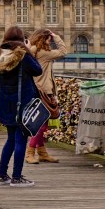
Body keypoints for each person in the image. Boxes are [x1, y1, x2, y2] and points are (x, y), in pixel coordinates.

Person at [0, 26, 43, 187]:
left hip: (6, 103)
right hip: (22, 103)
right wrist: (28, 50)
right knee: (20, 140)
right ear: (21, 39)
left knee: (10, 139)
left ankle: (1, 175)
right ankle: (17, 177)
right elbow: (38, 70)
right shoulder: (22, 55)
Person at [26, 29, 67, 164]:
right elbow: (63, 52)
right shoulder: (43, 53)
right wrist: (56, 37)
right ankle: (30, 153)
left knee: (42, 122)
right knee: (42, 125)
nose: (50, 41)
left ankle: (42, 153)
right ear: (43, 39)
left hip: (36, 89)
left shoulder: (33, 50)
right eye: (49, 39)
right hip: (43, 90)